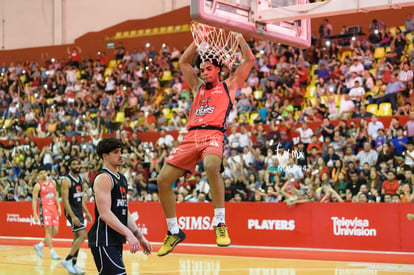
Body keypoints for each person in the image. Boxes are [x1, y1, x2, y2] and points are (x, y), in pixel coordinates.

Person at [156, 32, 254, 256]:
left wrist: (239, 38)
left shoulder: (229, 86)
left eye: (208, 68)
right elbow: (183, 62)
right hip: (190, 136)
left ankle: (220, 223)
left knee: (211, 166)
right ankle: (174, 231)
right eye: (201, 69)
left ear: (218, 69)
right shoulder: (196, 88)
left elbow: (249, 60)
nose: (203, 72)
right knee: (162, 180)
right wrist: (199, 41)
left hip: (213, 134)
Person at [88, 137, 152, 274]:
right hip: (104, 238)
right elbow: (105, 214)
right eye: (116, 152)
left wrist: (140, 237)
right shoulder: (104, 178)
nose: (120, 155)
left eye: (120, 151)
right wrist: (128, 234)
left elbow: (124, 211)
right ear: (105, 156)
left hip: (115, 239)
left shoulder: (121, 178)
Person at [60, 158, 93, 275]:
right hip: (72, 212)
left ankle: (73, 265)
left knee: (76, 238)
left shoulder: (79, 178)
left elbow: (80, 199)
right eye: (73, 164)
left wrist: (87, 212)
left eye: (77, 164)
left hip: (79, 211)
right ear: (69, 167)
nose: (76, 166)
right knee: (83, 235)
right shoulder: (66, 180)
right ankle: (67, 259)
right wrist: (73, 216)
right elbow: (64, 200)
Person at [32, 166, 62, 260]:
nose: (43, 174)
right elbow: (34, 200)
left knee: (56, 230)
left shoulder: (52, 182)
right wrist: (35, 214)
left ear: (47, 173)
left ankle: (40, 245)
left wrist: (59, 207)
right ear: (38, 175)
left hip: (53, 208)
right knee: (48, 231)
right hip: (44, 209)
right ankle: (52, 252)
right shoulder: (38, 186)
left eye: (44, 172)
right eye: (41, 173)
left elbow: (56, 195)